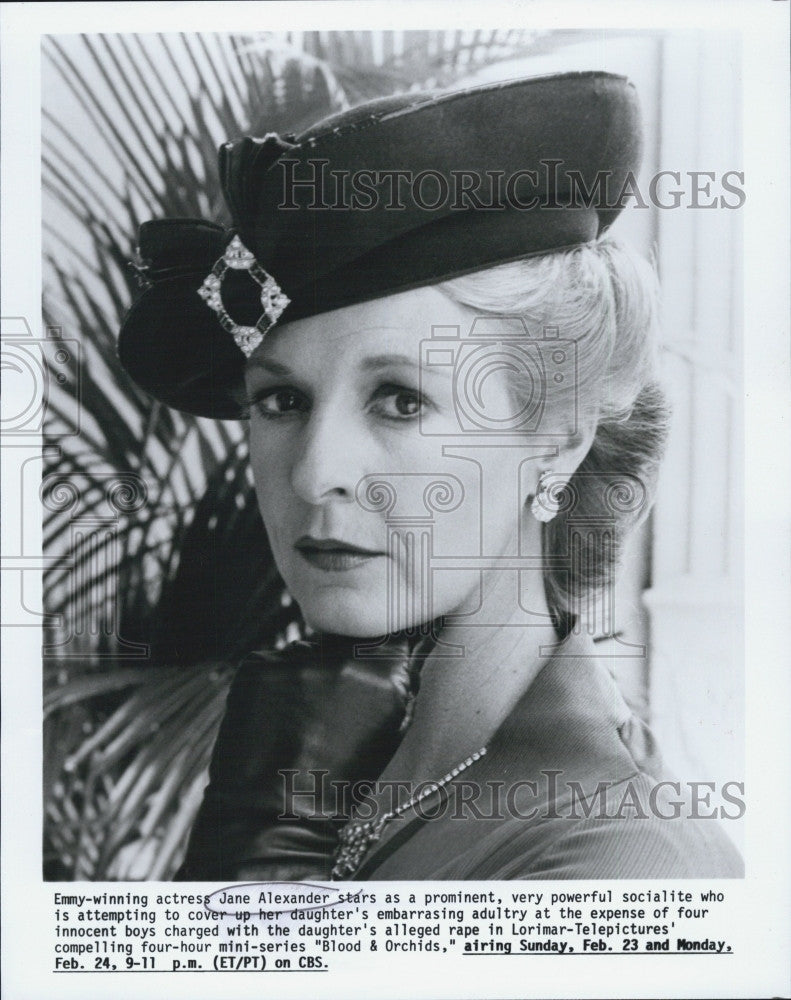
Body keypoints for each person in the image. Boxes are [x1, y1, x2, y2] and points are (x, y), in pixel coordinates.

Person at [118, 71, 743, 880]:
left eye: (401, 400)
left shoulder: (620, 865)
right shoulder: (336, 770)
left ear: (557, 439)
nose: (315, 473)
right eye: (280, 399)